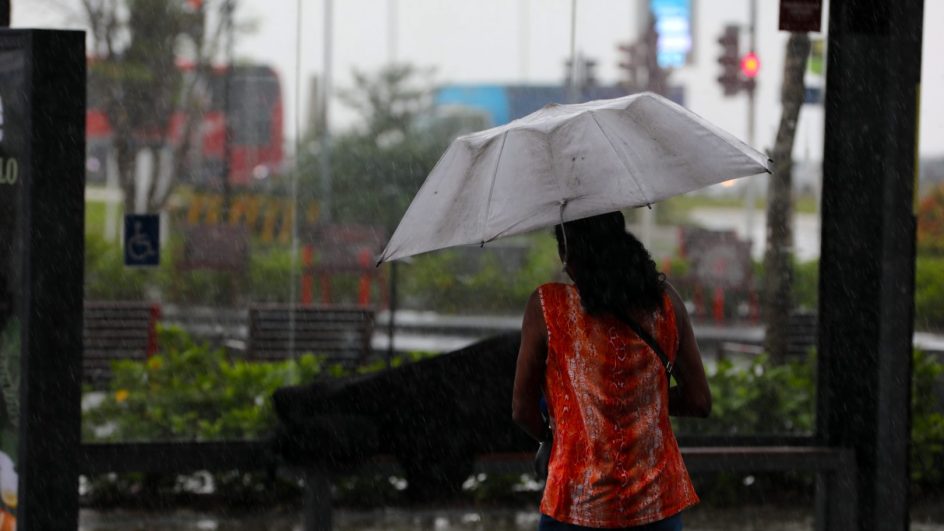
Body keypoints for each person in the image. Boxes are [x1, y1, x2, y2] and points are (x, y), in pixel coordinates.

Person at [512, 211, 711, 531]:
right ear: (621, 241)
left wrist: (563, 431)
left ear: (567, 253)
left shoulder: (547, 308)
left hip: (574, 506)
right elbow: (699, 400)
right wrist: (639, 403)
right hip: (656, 508)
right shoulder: (665, 303)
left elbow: (522, 409)